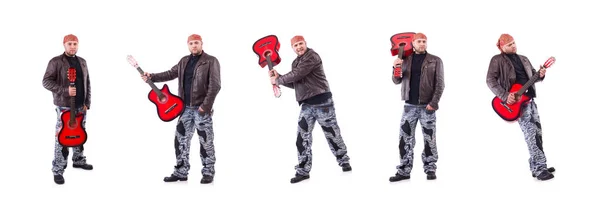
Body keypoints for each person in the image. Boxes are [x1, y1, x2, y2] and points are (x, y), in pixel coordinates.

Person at [269, 35, 352, 184]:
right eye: (295, 45)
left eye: (301, 44)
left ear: (305, 43)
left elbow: (298, 74)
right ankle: (303, 171)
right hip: (306, 105)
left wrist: (278, 80)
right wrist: (279, 78)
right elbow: (296, 82)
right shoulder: (296, 62)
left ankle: (344, 161)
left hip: (323, 102)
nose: (299, 47)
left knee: (332, 134)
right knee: (302, 138)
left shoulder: (312, 56)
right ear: (292, 48)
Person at [141, 34, 221, 184]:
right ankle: (181, 172)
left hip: (201, 109)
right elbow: (170, 73)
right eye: (191, 43)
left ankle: (208, 172)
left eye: (196, 43)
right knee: (180, 140)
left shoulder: (211, 61)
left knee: (206, 141)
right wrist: (151, 76)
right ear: (188, 45)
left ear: (202, 44)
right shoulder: (184, 61)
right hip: (184, 109)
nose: (194, 46)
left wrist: (205, 106)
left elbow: (215, 85)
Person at [486, 33, 555, 181]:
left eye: (514, 43)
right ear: (502, 47)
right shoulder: (497, 60)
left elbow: (534, 76)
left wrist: (541, 74)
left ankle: (536, 166)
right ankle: (541, 168)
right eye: (509, 44)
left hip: (529, 100)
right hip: (516, 105)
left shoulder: (523, 58)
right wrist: (505, 96)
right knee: (531, 135)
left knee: (537, 133)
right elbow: (490, 80)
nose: (513, 46)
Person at [389, 33, 445, 182]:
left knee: (429, 139)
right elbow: (396, 80)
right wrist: (395, 67)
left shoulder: (435, 60)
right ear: (412, 43)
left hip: (427, 107)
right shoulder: (405, 59)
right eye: (419, 41)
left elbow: (440, 85)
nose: (422, 44)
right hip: (409, 107)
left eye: (424, 41)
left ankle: (430, 168)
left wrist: (433, 104)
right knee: (405, 139)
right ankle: (404, 170)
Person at [42, 34, 94, 185]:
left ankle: (78, 160)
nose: (73, 46)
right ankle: (57, 169)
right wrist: (65, 90)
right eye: (70, 44)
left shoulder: (83, 62)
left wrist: (87, 102)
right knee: (62, 138)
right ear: (64, 45)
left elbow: (88, 83)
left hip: (80, 106)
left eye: (75, 44)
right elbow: (46, 81)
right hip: (64, 106)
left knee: (80, 133)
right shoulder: (56, 62)